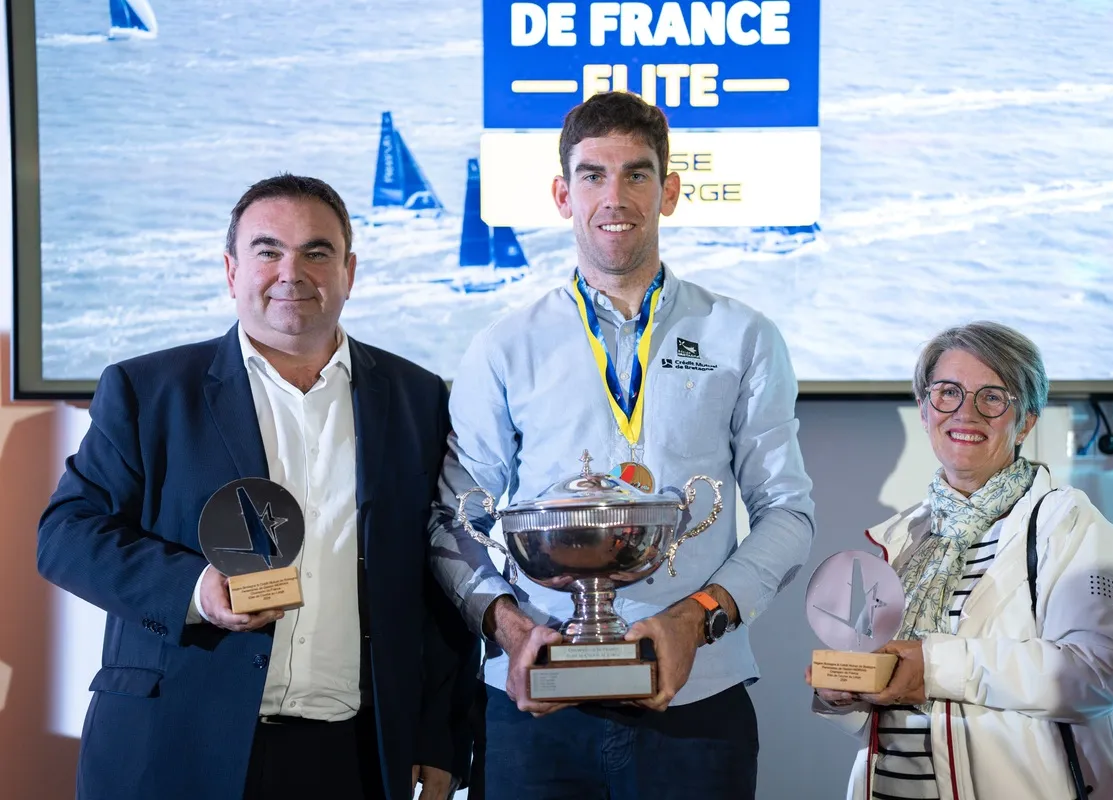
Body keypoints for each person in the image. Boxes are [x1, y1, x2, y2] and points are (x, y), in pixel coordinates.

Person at [37, 174, 478, 800]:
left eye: (317, 252)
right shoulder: (148, 391)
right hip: (174, 744)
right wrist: (196, 590)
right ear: (231, 270)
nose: (291, 273)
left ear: (349, 271)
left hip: (353, 755)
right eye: (268, 251)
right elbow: (65, 536)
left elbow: (438, 573)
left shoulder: (419, 397)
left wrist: (438, 736)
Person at [429, 90, 816, 799]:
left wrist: (696, 619)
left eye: (637, 174)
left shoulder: (744, 336)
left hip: (698, 695)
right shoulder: (503, 346)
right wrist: (511, 630)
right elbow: (457, 520)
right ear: (562, 194)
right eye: (593, 175)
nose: (615, 197)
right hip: (536, 702)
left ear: (669, 192)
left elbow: (788, 513)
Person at [807, 321, 1113, 800]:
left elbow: (1100, 673)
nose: (966, 413)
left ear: (1025, 421)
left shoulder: (1069, 525)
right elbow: (887, 708)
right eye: (948, 393)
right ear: (924, 409)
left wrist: (934, 666)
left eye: (992, 397)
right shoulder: (906, 540)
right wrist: (844, 692)